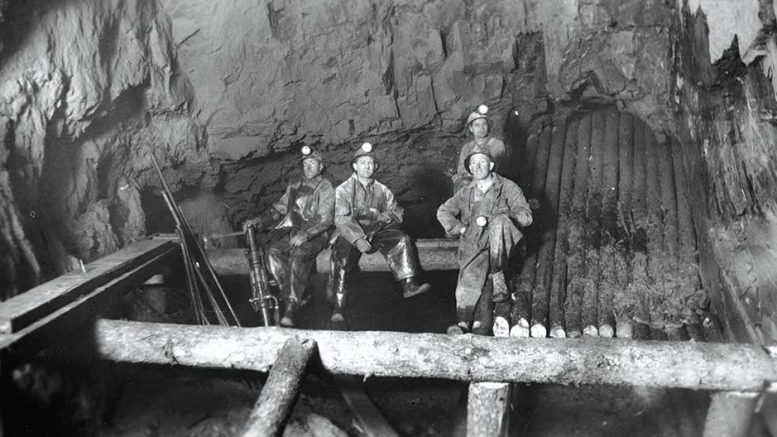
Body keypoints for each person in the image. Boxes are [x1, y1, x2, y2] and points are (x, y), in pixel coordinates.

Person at [328, 142, 431, 323]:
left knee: (402, 239)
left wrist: (378, 215)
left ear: (375, 166)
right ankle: (338, 306)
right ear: (355, 166)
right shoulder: (344, 189)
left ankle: (408, 284)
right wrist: (358, 238)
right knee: (342, 257)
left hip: (378, 231)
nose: (367, 166)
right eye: (363, 163)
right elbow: (342, 218)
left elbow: (398, 213)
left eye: (370, 163)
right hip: (350, 232)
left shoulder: (383, 190)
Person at [437, 147, 532, 335]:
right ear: (470, 169)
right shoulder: (466, 192)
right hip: (477, 241)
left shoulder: (507, 187)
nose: (477, 166)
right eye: (473, 163)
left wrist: (506, 216)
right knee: (468, 275)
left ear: (491, 165)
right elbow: (443, 211)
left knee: (499, 223)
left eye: (481, 162)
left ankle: (498, 274)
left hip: (506, 245)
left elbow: (527, 217)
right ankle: (463, 321)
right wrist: (460, 228)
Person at [243, 145, 334, 327]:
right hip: (294, 232)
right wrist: (258, 220)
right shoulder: (294, 185)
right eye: (305, 163)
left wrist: (305, 235)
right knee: (272, 251)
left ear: (321, 167)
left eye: (312, 163)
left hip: (317, 234)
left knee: (298, 254)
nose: (308, 167)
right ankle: (302, 291)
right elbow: (280, 208)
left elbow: (324, 218)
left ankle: (291, 306)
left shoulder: (326, 187)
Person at [452, 104, 508, 193]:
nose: (481, 128)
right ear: (471, 128)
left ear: (488, 126)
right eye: (477, 125)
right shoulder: (467, 147)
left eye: (484, 124)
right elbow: (462, 171)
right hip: (470, 186)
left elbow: (496, 170)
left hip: (491, 187)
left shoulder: (497, 144)